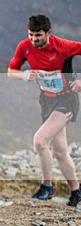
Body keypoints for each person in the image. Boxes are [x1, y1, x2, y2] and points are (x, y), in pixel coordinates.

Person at [8, 14, 81, 206]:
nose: (34, 39)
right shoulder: (24, 46)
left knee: (40, 141)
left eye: (38, 35)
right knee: (60, 151)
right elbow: (11, 71)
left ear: (48, 33)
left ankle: (46, 187)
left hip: (67, 100)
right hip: (47, 101)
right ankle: (76, 191)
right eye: (31, 34)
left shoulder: (62, 46)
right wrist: (24, 75)